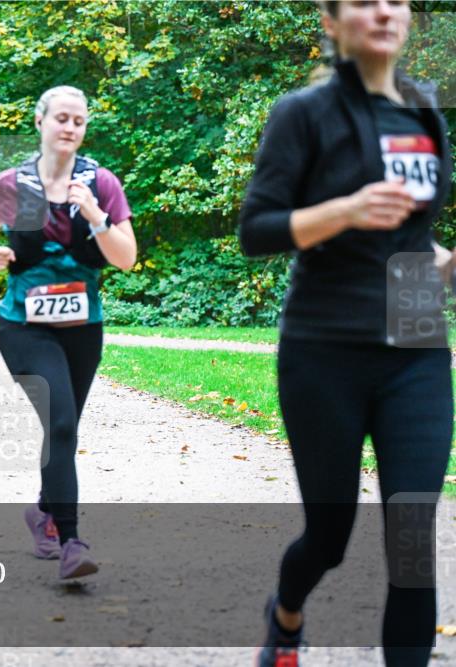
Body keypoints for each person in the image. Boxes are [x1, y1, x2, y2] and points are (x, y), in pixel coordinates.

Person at [239, 2, 453, 665]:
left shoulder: (424, 110)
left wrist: (447, 265)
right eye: (364, 1)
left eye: (396, 0)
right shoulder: (303, 113)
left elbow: (412, 235)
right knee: (329, 536)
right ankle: (286, 613)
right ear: (331, 22)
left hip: (415, 339)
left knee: (413, 538)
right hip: (324, 347)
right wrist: (346, 209)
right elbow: (257, 230)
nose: (384, 11)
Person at [0, 86, 137, 579]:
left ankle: (44, 508)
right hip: (25, 326)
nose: (70, 127)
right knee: (61, 423)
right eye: (61, 118)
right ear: (40, 121)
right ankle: (71, 542)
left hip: (83, 328)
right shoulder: (14, 183)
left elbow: (126, 258)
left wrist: (97, 217)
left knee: (62, 428)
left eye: (79, 121)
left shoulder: (100, 183)